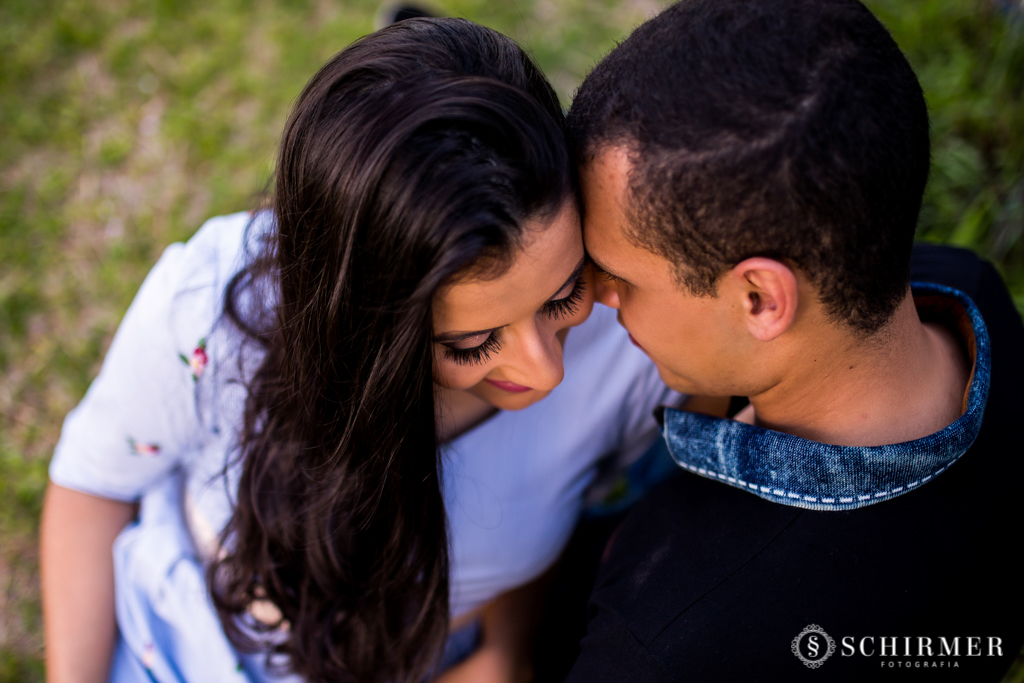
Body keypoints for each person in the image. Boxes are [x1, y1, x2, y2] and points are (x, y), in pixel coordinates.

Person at [39, 18, 677, 683]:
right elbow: (93, 484)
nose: (546, 369)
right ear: (369, 328)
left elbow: (567, 505)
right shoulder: (208, 305)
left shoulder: (635, 351)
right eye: (471, 341)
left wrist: (505, 653)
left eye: (562, 293)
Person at [562, 0, 1024, 680]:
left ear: (760, 299)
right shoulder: (966, 289)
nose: (595, 297)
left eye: (620, 276)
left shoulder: (668, 638)